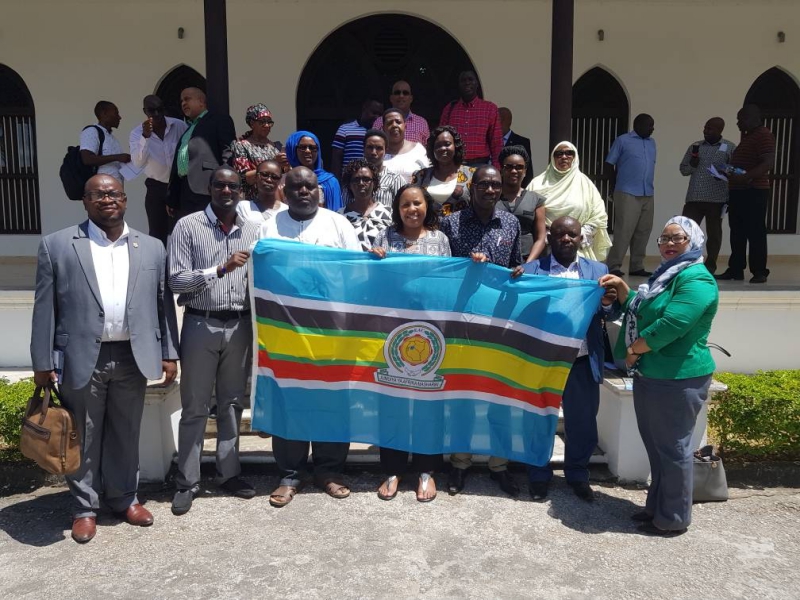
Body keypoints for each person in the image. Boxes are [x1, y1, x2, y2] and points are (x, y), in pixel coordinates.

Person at [30, 174, 179, 543]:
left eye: (113, 194)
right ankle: (84, 508)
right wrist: (41, 362)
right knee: (84, 435)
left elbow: (162, 307)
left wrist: (168, 353)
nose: (106, 200)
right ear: (85, 201)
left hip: (133, 354)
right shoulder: (58, 246)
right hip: (82, 357)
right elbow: (44, 309)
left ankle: (125, 498)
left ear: (125, 199)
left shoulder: (152, 248)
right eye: (97, 195)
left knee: (126, 433)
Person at [600, 216, 719, 536]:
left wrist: (636, 349)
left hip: (679, 377)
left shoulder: (696, 279)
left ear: (693, 241)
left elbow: (672, 324)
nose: (668, 245)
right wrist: (624, 288)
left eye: (676, 239)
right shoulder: (665, 275)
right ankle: (655, 508)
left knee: (674, 450)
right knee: (657, 447)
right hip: (652, 375)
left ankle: (673, 519)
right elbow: (642, 311)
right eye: (663, 239)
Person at [259, 166, 360, 507]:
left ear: (319, 190)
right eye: (296, 186)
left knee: (332, 399)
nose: (303, 191)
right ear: (284, 191)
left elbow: (357, 273)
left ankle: (329, 470)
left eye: (310, 186)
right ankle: (291, 473)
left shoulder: (339, 224)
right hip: (285, 332)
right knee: (289, 398)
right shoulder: (269, 226)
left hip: (332, 329)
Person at [168, 167, 261, 516]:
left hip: (239, 326)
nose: (226, 190)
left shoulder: (251, 230)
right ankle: (187, 481)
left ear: (241, 190)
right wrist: (218, 270)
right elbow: (176, 281)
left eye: (233, 185)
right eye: (219, 184)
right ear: (209, 188)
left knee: (232, 403)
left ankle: (229, 473)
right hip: (200, 323)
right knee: (194, 407)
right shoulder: (187, 226)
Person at [516, 216, 620, 502]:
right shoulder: (532, 271)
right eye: (559, 234)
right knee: (537, 420)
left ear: (580, 238)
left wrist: (608, 304)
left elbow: (608, 314)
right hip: (542, 361)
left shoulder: (597, 270)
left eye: (571, 234)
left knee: (583, 422)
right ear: (549, 237)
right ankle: (538, 475)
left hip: (582, 360)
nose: (566, 239)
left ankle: (577, 474)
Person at [440, 166, 522, 496]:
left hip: (499, 322)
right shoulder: (451, 223)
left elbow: (516, 267)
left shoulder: (512, 223)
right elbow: (442, 273)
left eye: (496, 185)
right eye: (483, 184)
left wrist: (517, 271)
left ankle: (498, 465)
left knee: (499, 396)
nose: (490, 189)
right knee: (464, 396)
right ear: (471, 187)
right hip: (462, 323)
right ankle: (460, 464)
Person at [370, 185, 451, 501]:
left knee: (428, 404)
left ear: (425, 205)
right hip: (392, 333)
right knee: (393, 403)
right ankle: (393, 469)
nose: (412, 209)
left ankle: (427, 471)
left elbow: (448, 283)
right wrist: (373, 261)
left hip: (431, 334)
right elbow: (374, 283)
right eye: (405, 204)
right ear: (397, 208)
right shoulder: (385, 238)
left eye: (417, 203)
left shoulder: (440, 240)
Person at [715, 105, 776, 284]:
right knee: (738, 231)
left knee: (755, 231)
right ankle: (736, 269)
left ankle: (759, 271)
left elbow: (768, 162)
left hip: (753, 191)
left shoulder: (764, 135)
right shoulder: (749, 137)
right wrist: (730, 171)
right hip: (739, 191)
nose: (738, 123)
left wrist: (747, 177)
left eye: (741, 119)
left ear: (754, 118)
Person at [529, 141, 612, 262]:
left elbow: (598, 214)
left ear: (575, 157)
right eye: (559, 153)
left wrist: (579, 235)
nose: (564, 157)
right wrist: (548, 236)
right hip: (546, 248)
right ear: (553, 157)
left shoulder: (585, 184)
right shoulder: (537, 184)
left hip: (578, 248)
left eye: (569, 153)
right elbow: (528, 211)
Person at [167, 87, 236, 218]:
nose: (183, 103)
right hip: (185, 190)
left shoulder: (218, 120)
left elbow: (228, 152)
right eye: (181, 101)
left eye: (187, 99)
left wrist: (224, 185)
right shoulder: (189, 129)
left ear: (201, 101)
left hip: (208, 188)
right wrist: (172, 196)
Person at [679, 117, 736, 275]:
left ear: (720, 130)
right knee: (686, 233)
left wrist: (725, 173)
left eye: (710, 128)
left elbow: (736, 171)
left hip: (716, 199)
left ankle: (710, 266)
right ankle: (686, 265)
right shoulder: (695, 146)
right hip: (694, 198)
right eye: (705, 127)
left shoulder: (730, 147)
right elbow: (683, 170)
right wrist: (692, 164)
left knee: (714, 235)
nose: (706, 131)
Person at [129, 95, 189, 245]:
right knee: (157, 233)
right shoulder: (137, 133)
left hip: (179, 185)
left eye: (159, 109)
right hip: (156, 187)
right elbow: (138, 163)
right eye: (151, 110)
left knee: (182, 229)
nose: (156, 114)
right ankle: (159, 267)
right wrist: (145, 137)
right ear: (145, 111)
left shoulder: (179, 125)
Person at [604, 113, 657, 277]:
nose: (652, 129)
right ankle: (613, 265)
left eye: (653, 126)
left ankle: (636, 266)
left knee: (644, 230)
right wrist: (614, 187)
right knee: (624, 230)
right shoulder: (623, 140)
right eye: (649, 126)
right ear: (637, 125)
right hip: (627, 192)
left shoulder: (652, 142)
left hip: (647, 192)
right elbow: (609, 164)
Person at [439, 71, 503, 168]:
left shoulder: (490, 108)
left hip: (480, 166)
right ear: (459, 85)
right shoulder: (449, 109)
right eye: (463, 80)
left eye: (470, 79)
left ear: (477, 83)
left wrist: (497, 168)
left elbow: (496, 142)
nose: (467, 83)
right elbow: (440, 139)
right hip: (454, 165)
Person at [225, 104, 288, 201]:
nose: (267, 125)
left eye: (269, 122)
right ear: (252, 123)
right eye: (262, 122)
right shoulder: (241, 146)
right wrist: (273, 162)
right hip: (253, 201)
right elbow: (242, 179)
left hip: (276, 199)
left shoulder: (276, 146)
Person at [410, 125, 474, 216]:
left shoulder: (472, 174)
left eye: (447, 144)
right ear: (432, 150)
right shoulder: (421, 176)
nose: (443, 148)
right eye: (438, 146)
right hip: (428, 228)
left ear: (456, 146)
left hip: (462, 228)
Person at [497, 145, 546, 261]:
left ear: (525, 171)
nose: (514, 171)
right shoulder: (492, 196)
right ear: (502, 170)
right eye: (509, 167)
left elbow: (541, 238)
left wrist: (528, 264)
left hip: (526, 259)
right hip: (496, 261)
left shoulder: (536, 200)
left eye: (519, 167)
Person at [338, 159, 393, 251]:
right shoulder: (340, 217)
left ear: (374, 183)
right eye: (356, 180)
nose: (361, 183)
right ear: (349, 185)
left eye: (366, 179)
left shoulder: (389, 213)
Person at [284, 130, 343, 212]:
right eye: (302, 147)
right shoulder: (284, 181)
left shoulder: (330, 182)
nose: (308, 151)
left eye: (312, 148)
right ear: (293, 151)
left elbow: (337, 214)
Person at [345, 129, 405, 206]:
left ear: (385, 151)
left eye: (379, 148)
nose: (373, 152)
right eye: (370, 147)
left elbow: (401, 209)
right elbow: (345, 207)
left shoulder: (396, 180)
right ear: (363, 149)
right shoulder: (352, 177)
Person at [330, 99, 384, 180]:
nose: (377, 117)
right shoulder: (345, 129)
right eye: (374, 113)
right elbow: (336, 160)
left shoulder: (382, 132)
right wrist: (337, 183)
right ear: (364, 109)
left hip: (373, 182)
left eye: (380, 114)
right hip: (348, 182)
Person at [80, 101, 131, 184]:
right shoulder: (91, 131)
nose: (119, 117)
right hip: (100, 189)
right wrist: (117, 157)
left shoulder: (112, 138)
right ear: (104, 113)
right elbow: (87, 159)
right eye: (116, 113)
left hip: (115, 189)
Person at [370, 80, 430, 145]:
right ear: (391, 98)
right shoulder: (379, 122)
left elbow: (426, 150)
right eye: (397, 93)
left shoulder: (422, 122)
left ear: (411, 99)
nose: (401, 96)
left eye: (405, 93)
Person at [382, 109, 430, 183]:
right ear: (383, 128)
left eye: (398, 122)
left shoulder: (418, 149)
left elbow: (427, 176)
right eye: (389, 123)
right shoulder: (377, 152)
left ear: (405, 126)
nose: (394, 125)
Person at [235, 159, 288, 223]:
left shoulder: (286, 210)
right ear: (256, 177)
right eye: (264, 175)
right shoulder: (243, 207)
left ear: (279, 181)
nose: (269, 180)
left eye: (274, 177)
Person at [499, 107, 533, 187]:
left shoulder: (522, 142)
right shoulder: (487, 141)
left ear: (509, 121)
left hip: (514, 188)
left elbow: (528, 170)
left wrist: (524, 192)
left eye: (500, 120)